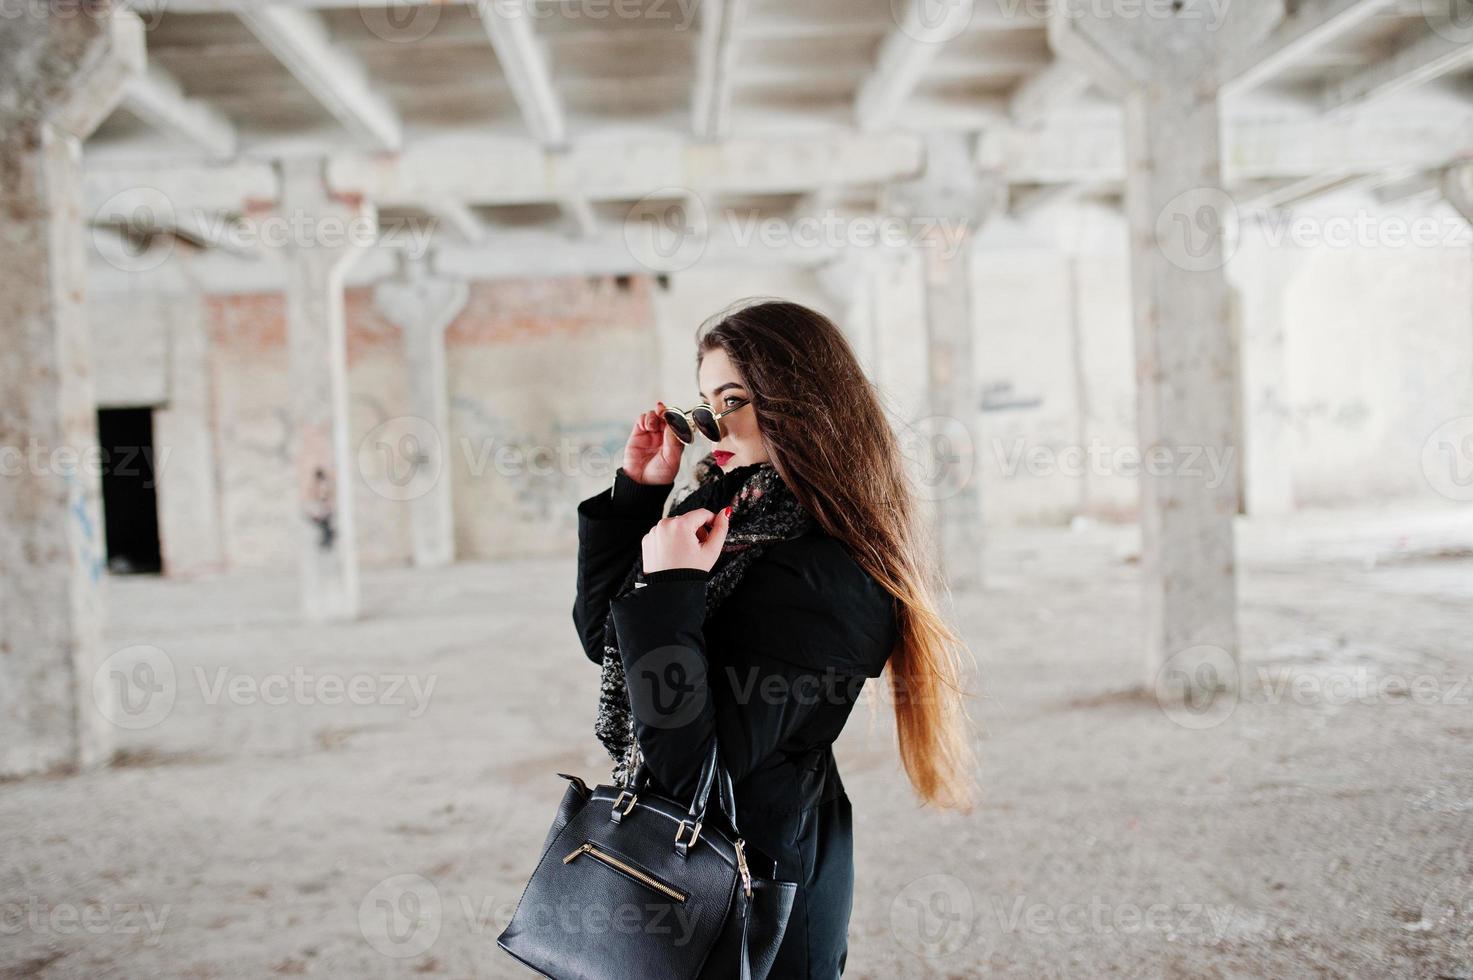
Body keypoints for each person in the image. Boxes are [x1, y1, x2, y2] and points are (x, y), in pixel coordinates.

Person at [572, 298, 979, 978]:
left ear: (801, 403)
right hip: (677, 862)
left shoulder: (836, 574)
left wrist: (671, 591)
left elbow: (695, 765)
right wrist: (637, 499)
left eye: (731, 399)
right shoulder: (727, 504)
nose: (709, 427)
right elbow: (605, 639)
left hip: (758, 875)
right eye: (703, 402)